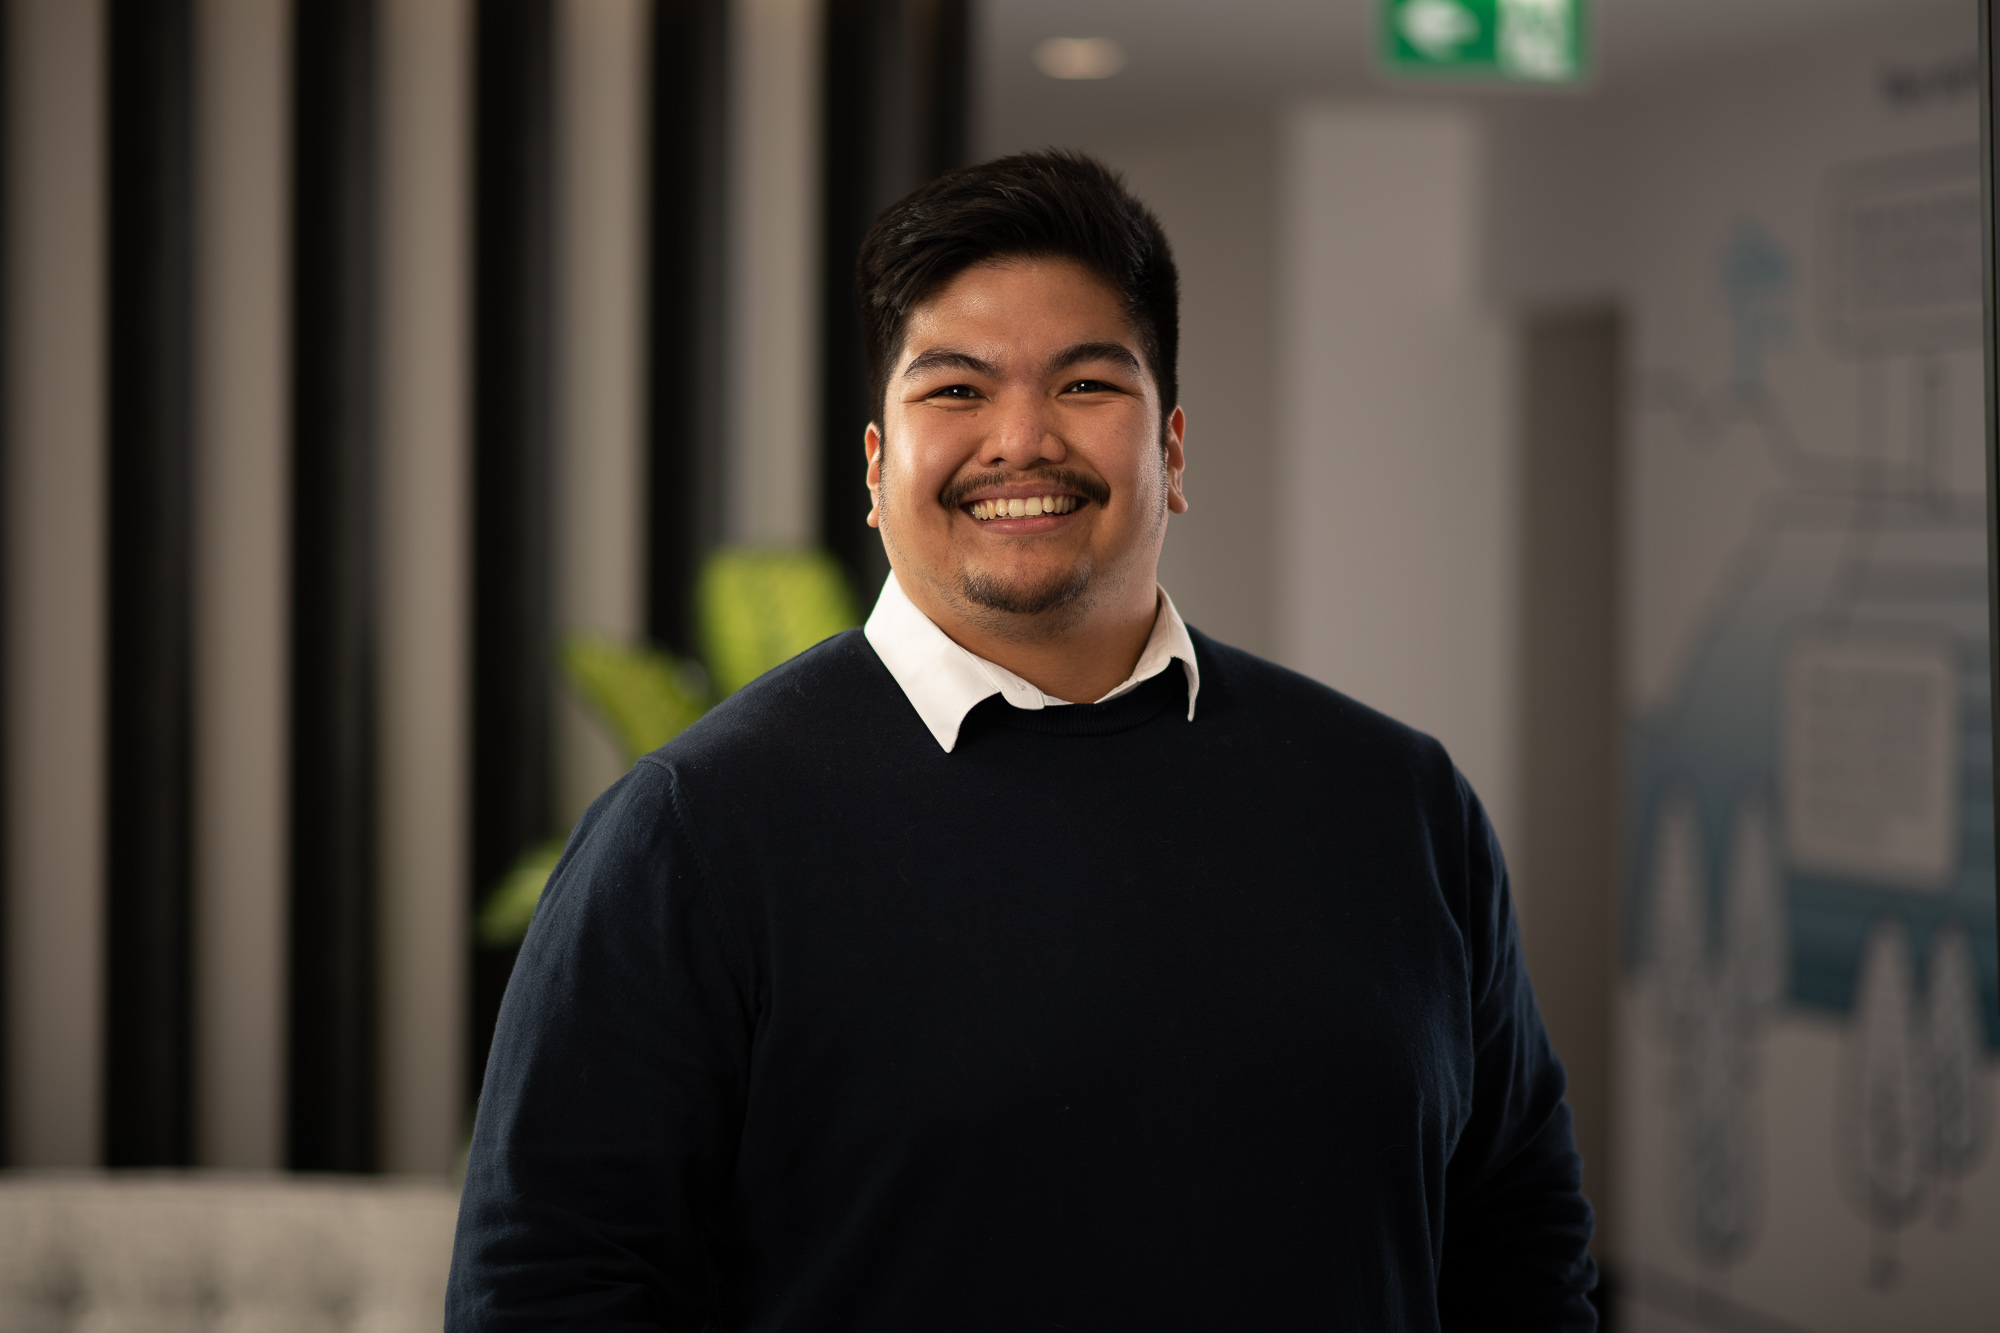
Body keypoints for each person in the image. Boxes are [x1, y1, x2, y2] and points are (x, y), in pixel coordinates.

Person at [445, 149, 1597, 1330]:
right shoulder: (694, 834)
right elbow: (545, 1292)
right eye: (955, 391)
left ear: (1173, 452)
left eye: (1085, 384)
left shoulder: (1397, 802)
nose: (1021, 439)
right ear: (875, 468)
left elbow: (1519, 1239)